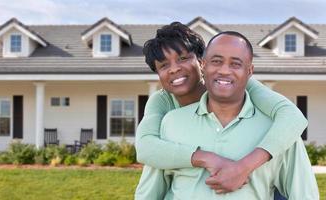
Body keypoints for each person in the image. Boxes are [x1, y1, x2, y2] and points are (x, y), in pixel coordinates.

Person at [134, 23, 316, 199]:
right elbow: (146, 148)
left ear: (200, 62)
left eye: (183, 58)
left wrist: (243, 167)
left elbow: (292, 116)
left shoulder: (236, 82)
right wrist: (205, 158)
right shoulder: (166, 112)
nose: (174, 69)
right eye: (164, 65)